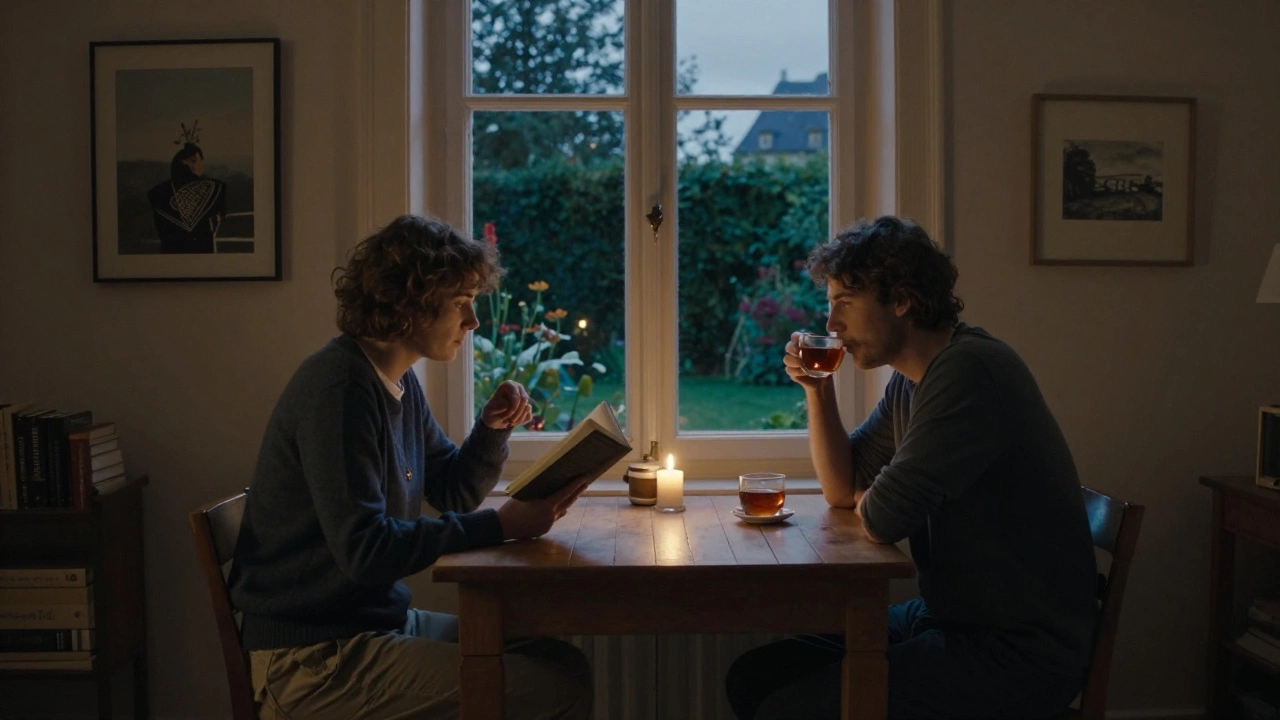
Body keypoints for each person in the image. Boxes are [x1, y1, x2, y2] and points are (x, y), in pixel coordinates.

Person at [724, 216, 1097, 719]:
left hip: (1015, 651)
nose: (832, 325)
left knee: (788, 708)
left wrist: (873, 499)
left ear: (901, 300)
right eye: (830, 305)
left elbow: (882, 518)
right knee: (754, 677)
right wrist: (818, 390)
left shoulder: (969, 372)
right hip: (946, 617)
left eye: (845, 304)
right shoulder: (911, 381)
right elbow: (844, 489)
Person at [228, 214, 594, 720]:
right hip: (313, 659)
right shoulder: (339, 391)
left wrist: (492, 430)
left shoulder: (394, 380)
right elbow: (366, 552)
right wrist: (500, 524)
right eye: (462, 304)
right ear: (411, 305)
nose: (474, 322)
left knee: (559, 661)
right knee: (551, 688)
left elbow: (451, 490)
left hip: (370, 626)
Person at [146, 141, 226, 253]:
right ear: (186, 163)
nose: (201, 163)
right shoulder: (216, 188)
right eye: (197, 160)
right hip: (201, 254)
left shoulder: (156, 193)